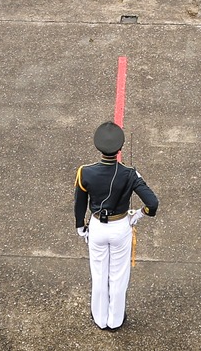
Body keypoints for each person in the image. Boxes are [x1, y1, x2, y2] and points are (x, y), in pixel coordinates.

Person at [76, 120, 158, 333]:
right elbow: (152, 202)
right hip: (120, 226)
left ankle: (100, 318)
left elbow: (80, 203)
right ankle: (115, 320)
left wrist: (80, 227)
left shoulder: (85, 172)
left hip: (97, 228)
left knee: (99, 274)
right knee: (118, 276)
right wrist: (140, 214)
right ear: (120, 149)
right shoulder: (130, 174)